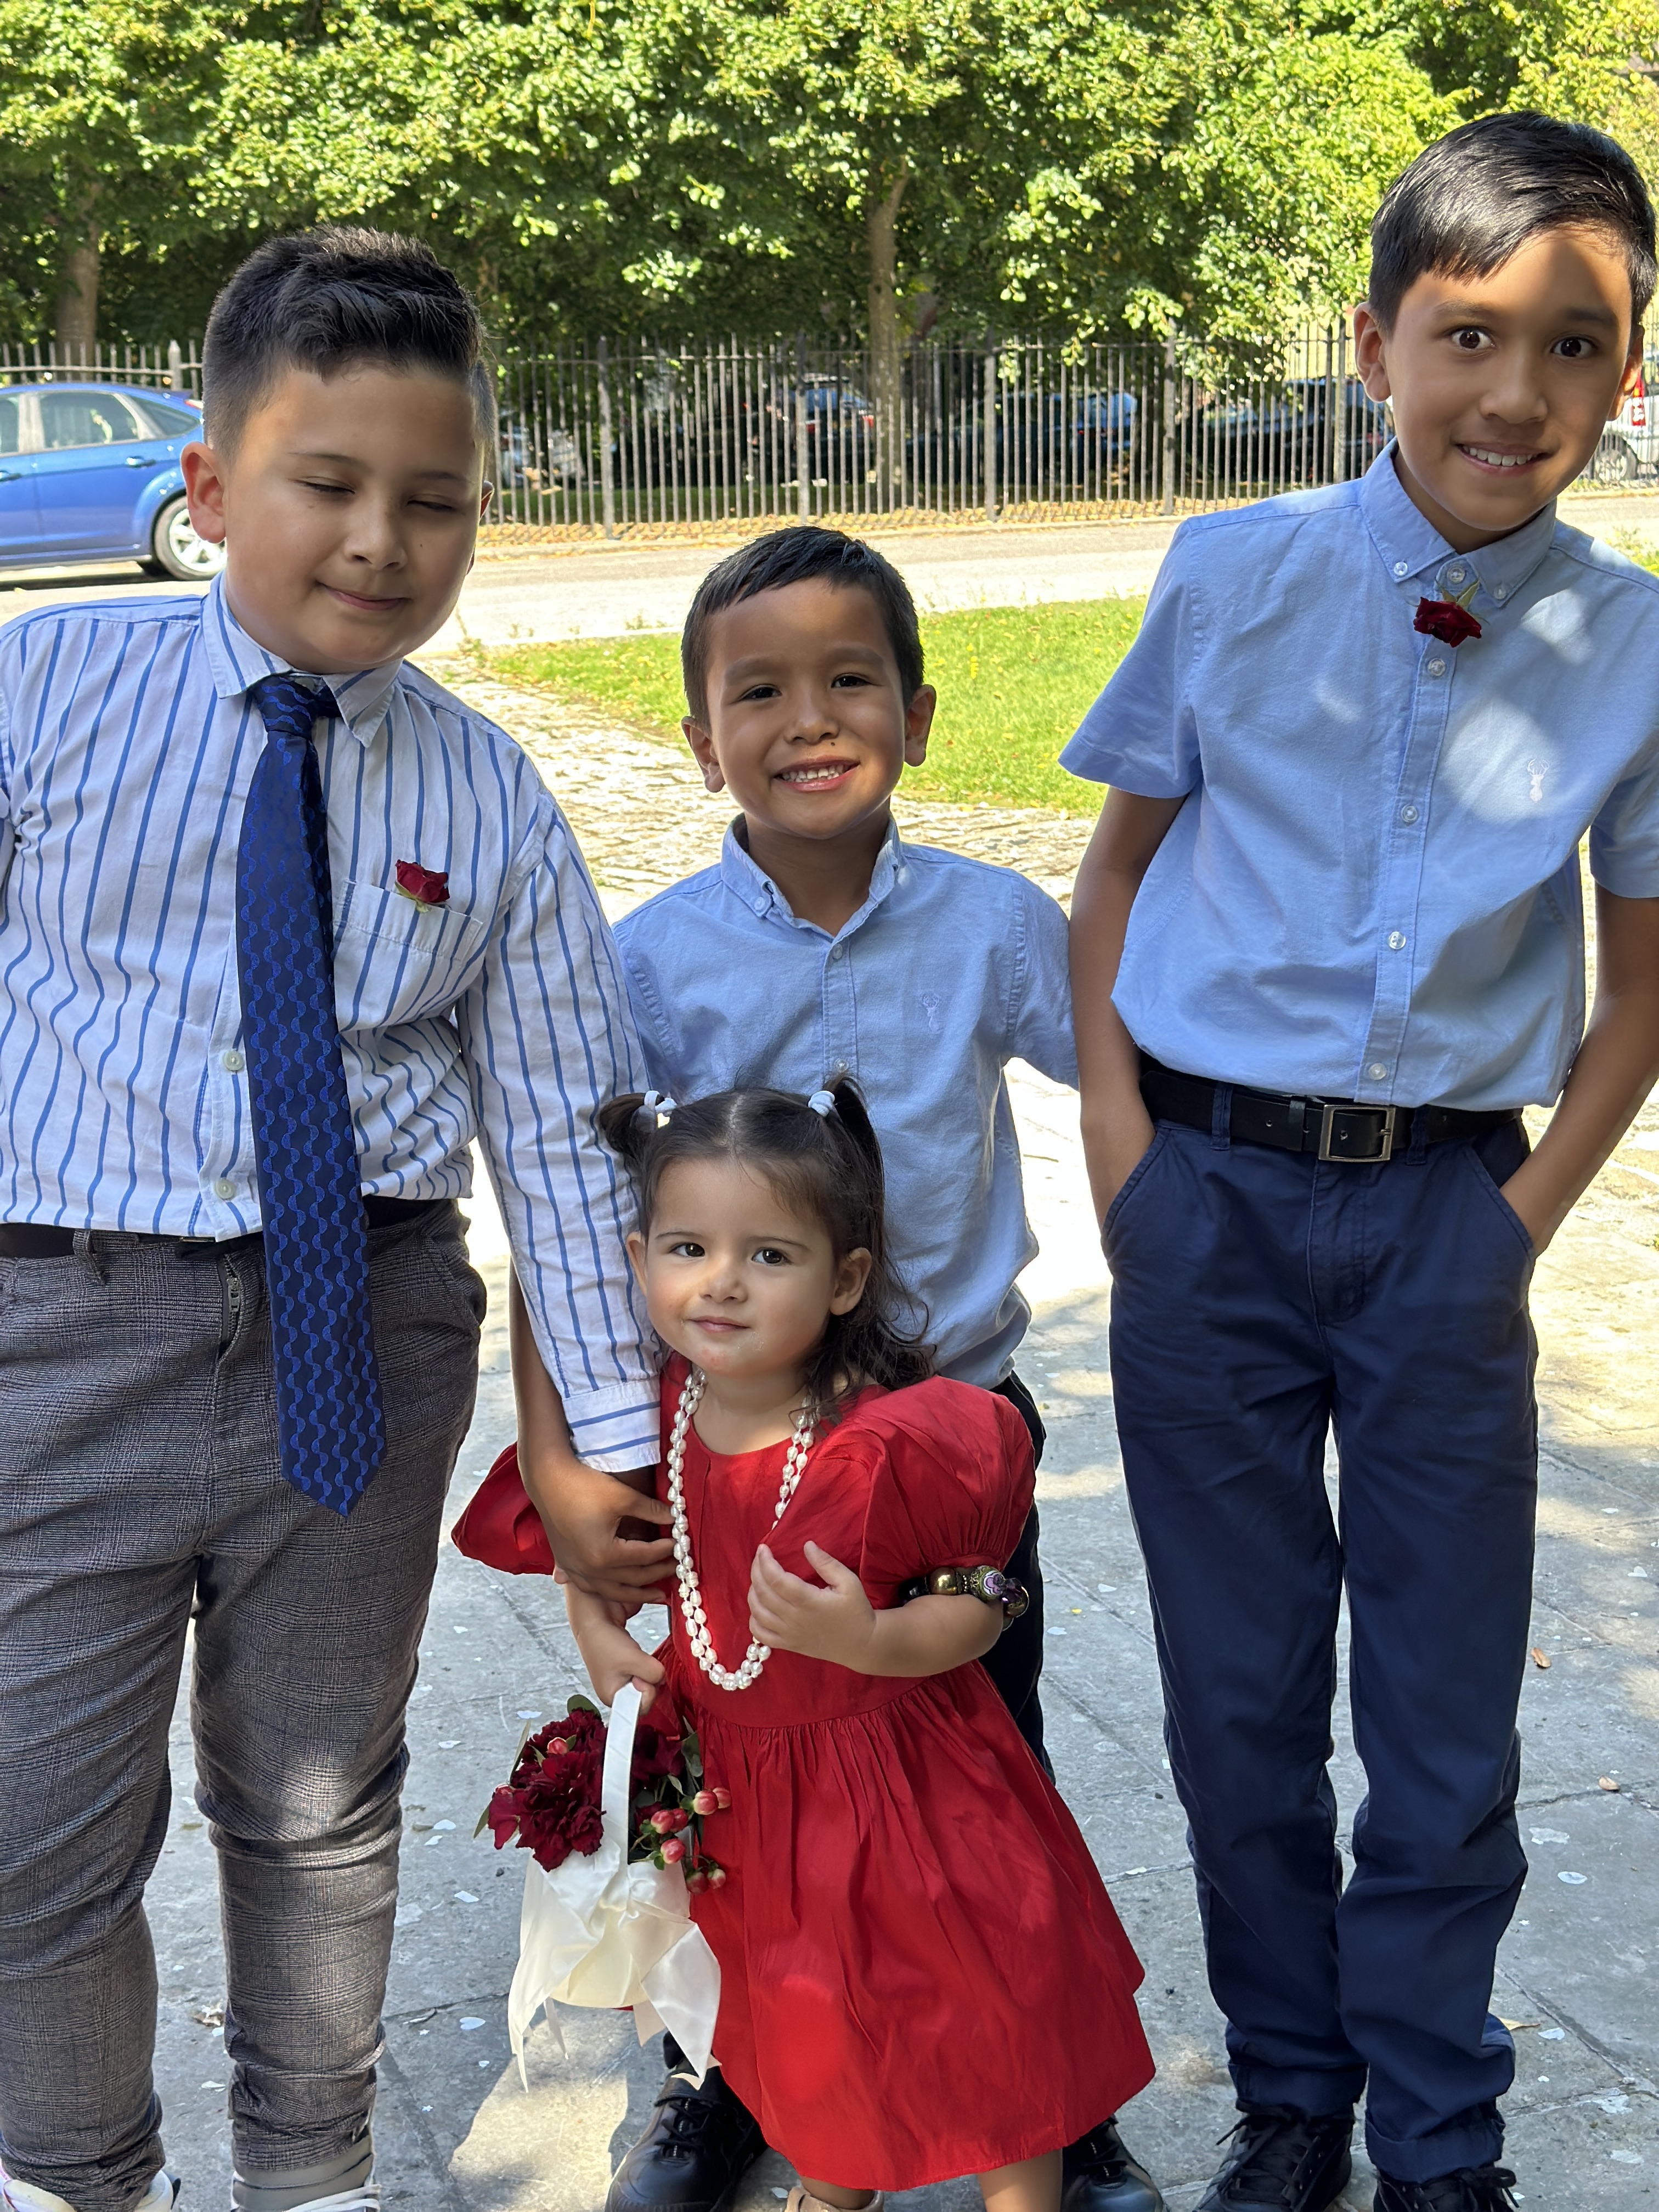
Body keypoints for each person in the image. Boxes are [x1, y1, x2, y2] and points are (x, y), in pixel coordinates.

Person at [0, 229, 659, 2212]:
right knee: (36, 1832)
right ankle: (74, 2173)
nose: (382, 539)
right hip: (61, 1333)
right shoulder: (42, 692)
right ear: (211, 488)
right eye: (329, 482)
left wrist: (609, 1456)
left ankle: (313, 2178)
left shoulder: (493, 799)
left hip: (357, 1345)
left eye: (434, 499)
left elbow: (566, 1143)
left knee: (315, 1805)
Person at [1064, 112, 1659, 2212]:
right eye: (1466, 334)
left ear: (1630, 368)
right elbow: (1110, 878)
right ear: (1372, 342)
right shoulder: (1232, 573)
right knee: (1236, 1707)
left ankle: (1437, 2141)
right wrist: (1126, 1168)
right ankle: (1293, 2099)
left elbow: (1640, 984)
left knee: (1441, 1729)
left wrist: (1513, 1226)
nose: (1516, 391)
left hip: (1441, 1225)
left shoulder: (1630, 642)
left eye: (1575, 344)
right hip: (1206, 1211)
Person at [512, 524, 1163, 2212]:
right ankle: (726, 2085)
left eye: (851, 680)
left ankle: (1046, 2094)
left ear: (921, 717)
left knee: (986, 1780)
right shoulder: (651, 967)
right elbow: (572, 1221)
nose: (809, 720)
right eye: (760, 693)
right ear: (698, 739)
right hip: (734, 1448)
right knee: (731, 1784)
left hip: (945, 1443)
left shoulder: (994, 926)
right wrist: (571, 1467)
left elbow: (1129, 1083)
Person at [563, 1081, 1158, 2212]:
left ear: (844, 1280)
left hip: (900, 1790)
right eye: (688, 1248)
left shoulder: (888, 1439)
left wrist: (871, 1637)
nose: (722, 1281)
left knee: (982, 2006)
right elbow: (596, 1558)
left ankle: (1020, 2197)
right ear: (640, 1258)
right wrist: (594, 1625)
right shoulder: (658, 1412)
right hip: (753, 1797)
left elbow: (986, 1596)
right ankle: (836, 2182)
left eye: (770, 1256)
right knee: (808, 2009)